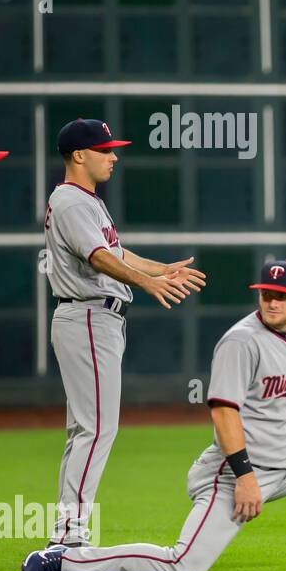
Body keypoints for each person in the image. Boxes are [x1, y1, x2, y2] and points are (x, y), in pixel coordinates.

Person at [21, 260, 286, 571]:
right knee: (184, 564)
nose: (273, 302)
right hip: (233, 476)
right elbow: (223, 412)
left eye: (282, 295)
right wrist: (245, 477)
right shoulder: (241, 342)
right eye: (266, 294)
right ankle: (67, 559)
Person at [43, 118, 205, 548]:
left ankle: (67, 531)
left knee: (86, 429)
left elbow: (115, 251)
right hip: (89, 317)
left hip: (93, 319)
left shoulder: (84, 200)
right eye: (105, 149)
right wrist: (147, 283)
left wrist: (161, 268)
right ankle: (69, 536)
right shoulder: (73, 201)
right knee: (96, 429)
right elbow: (98, 258)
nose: (114, 156)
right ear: (80, 155)